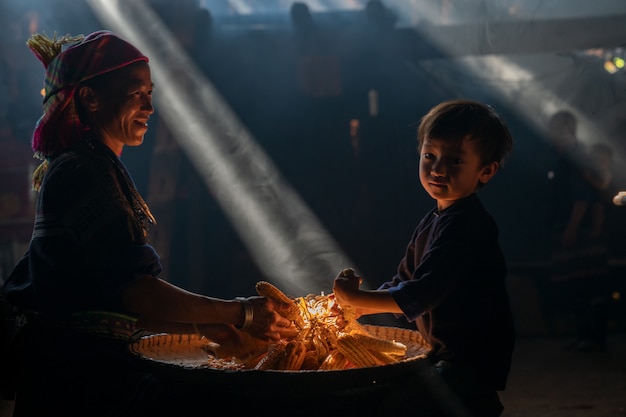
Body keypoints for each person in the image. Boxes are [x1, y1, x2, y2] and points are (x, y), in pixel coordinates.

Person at [0, 30, 297, 417]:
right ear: (90, 99)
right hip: (76, 380)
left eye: (150, 94)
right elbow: (134, 292)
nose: (150, 107)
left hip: (87, 371)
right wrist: (242, 313)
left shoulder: (99, 165)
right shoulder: (79, 171)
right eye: (136, 92)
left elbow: (114, 300)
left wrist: (206, 328)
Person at [332, 99, 515, 417]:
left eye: (455, 161)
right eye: (430, 156)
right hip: (445, 352)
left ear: (485, 171)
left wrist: (355, 295)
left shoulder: (468, 224)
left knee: (404, 406)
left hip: (470, 358)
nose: (438, 169)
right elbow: (404, 281)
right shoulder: (434, 220)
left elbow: (421, 294)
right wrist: (357, 307)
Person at [546, 112, 615, 351]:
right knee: (577, 283)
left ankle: (595, 339)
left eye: (558, 128)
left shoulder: (576, 157)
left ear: (570, 130)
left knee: (591, 282)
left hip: (581, 227)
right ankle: (585, 336)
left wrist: (573, 227)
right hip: (568, 223)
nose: (553, 133)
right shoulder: (560, 156)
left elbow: (584, 195)